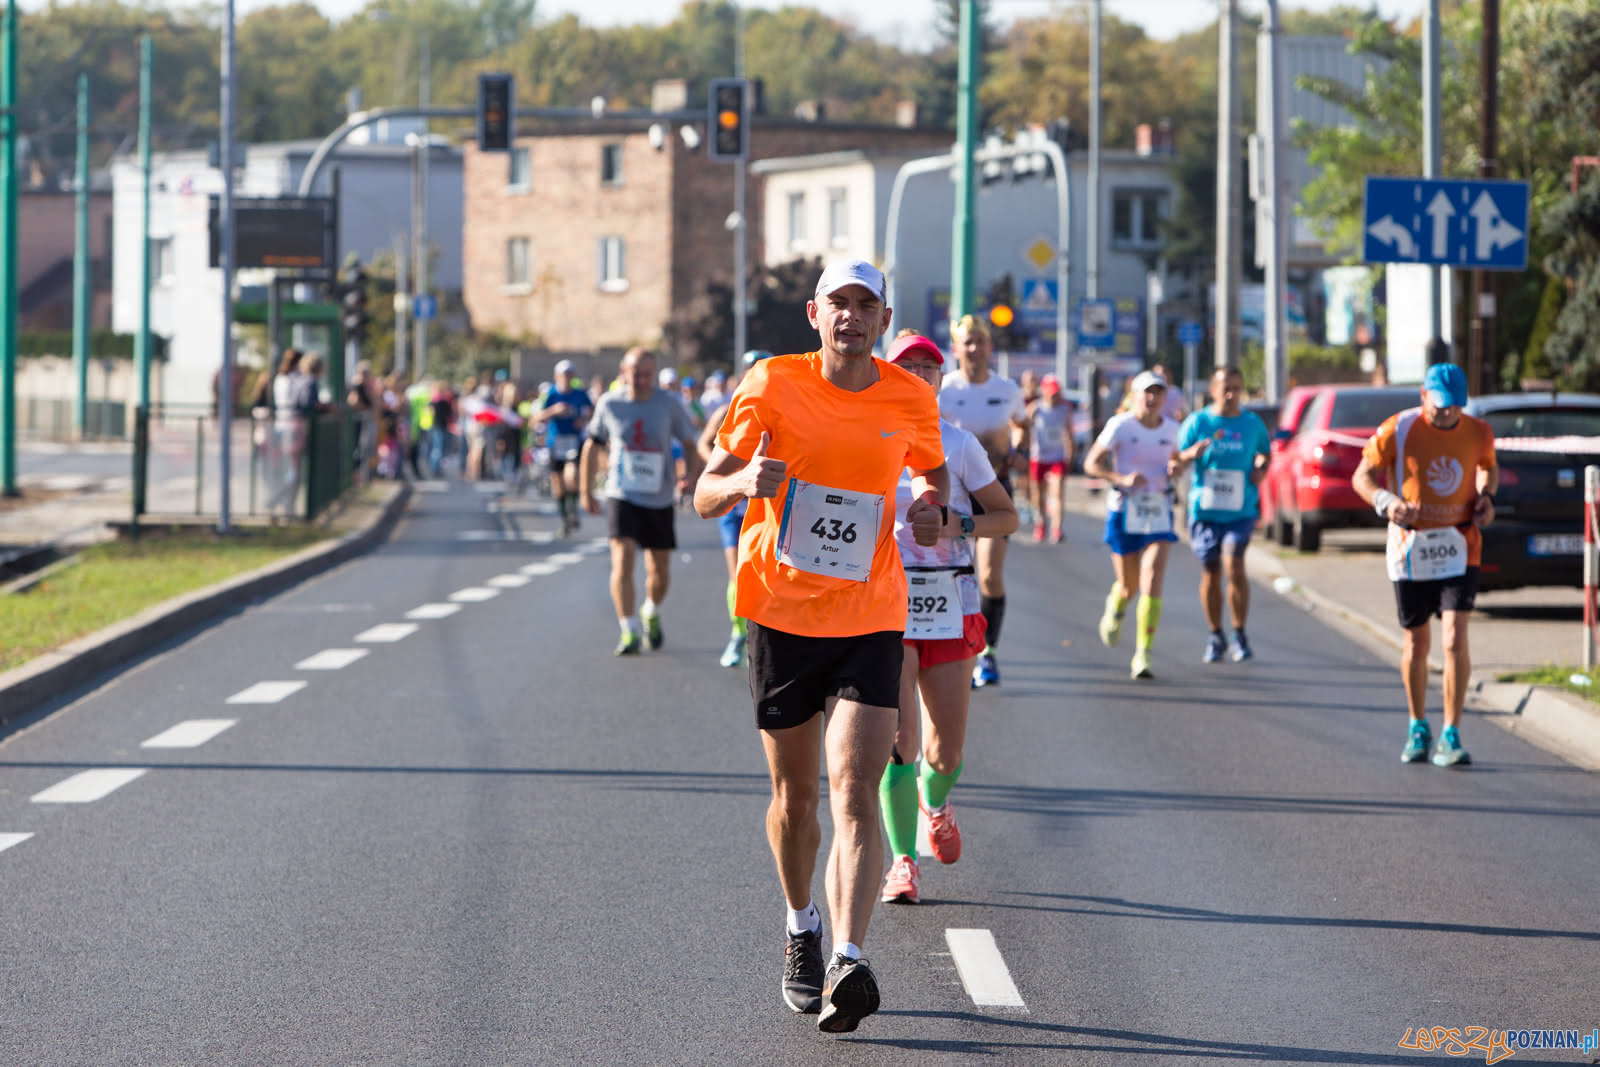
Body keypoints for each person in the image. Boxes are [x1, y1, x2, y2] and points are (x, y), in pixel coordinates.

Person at [692, 259, 948, 1034]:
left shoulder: (909, 396)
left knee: (854, 786)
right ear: (815, 313)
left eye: (866, 305)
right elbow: (704, 493)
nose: (852, 315)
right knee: (795, 798)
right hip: (779, 611)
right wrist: (742, 486)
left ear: (882, 318)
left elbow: (930, 478)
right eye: (839, 302)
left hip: (870, 610)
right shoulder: (772, 383)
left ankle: (849, 956)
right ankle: (801, 923)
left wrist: (931, 504)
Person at [876, 332, 1017, 907]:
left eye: (927, 368)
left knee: (946, 753)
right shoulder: (873, 438)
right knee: (899, 741)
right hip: (888, 603)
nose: (916, 374)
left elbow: (1005, 517)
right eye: (905, 366)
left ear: (940, 380)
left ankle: (935, 804)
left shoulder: (958, 445)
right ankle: (903, 863)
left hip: (949, 603)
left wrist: (959, 525)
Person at [1351, 362, 1496, 767]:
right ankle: (1418, 724)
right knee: (1416, 641)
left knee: (1454, 638)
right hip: (1411, 547)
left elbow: (1488, 467)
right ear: (1422, 396)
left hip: (1460, 543)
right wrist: (1388, 503)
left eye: (1455, 407)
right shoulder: (1398, 428)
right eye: (1440, 406)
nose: (1448, 413)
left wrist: (1486, 498)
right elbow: (1361, 477)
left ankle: (1451, 731)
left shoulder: (1477, 430)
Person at [579, 348, 702, 655]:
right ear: (624, 371)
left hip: (659, 496)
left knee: (659, 572)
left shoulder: (668, 404)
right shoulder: (610, 403)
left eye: (648, 374)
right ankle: (628, 629)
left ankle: (650, 609)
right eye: (636, 374)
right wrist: (585, 491)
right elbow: (591, 448)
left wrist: (689, 475)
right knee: (622, 559)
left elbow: (690, 442)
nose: (642, 380)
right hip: (622, 492)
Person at [938, 314, 1027, 688]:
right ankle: (947, 640)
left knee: (988, 573)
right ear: (956, 348)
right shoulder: (944, 389)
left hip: (993, 486)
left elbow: (1022, 424)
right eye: (967, 342)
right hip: (951, 489)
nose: (974, 348)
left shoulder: (1007, 390)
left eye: (980, 341)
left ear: (990, 347)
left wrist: (1019, 447)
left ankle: (987, 652)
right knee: (954, 573)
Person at [1084, 371, 1181, 679]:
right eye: (1146, 393)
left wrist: (1177, 466)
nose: (1152, 399)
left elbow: (1179, 462)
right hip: (1124, 510)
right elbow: (1091, 464)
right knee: (1129, 586)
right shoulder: (1120, 426)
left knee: (1152, 577)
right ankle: (1118, 602)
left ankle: (1143, 653)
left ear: (1165, 398)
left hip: (1158, 510)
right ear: (1135, 395)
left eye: (1158, 393)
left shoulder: (1173, 429)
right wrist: (1121, 479)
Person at [1174, 366, 1273, 663]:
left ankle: (1239, 633)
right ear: (1213, 390)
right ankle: (1215, 633)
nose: (1231, 395)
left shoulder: (1252, 423)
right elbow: (1176, 458)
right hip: (1204, 510)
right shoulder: (1198, 421)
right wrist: (1191, 454)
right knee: (1211, 570)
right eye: (1225, 388)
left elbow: (1265, 454)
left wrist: (1260, 468)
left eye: (1236, 388)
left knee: (1234, 566)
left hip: (1240, 510)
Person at [697, 349, 775, 669]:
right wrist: (719, 471)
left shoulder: (780, 409)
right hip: (733, 501)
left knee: (767, 573)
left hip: (766, 501)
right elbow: (704, 443)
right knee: (737, 572)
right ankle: (736, 633)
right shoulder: (728, 410)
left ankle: (767, 635)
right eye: (747, 370)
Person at [1026, 374, 1074, 544]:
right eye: (1051, 393)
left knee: (1058, 492)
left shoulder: (1064, 409)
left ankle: (1057, 528)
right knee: (1038, 493)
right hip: (1038, 456)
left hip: (1057, 457)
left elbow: (1069, 432)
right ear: (1044, 392)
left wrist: (1070, 454)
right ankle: (1040, 524)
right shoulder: (1035, 408)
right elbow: (1025, 430)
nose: (1055, 396)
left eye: (1057, 393)